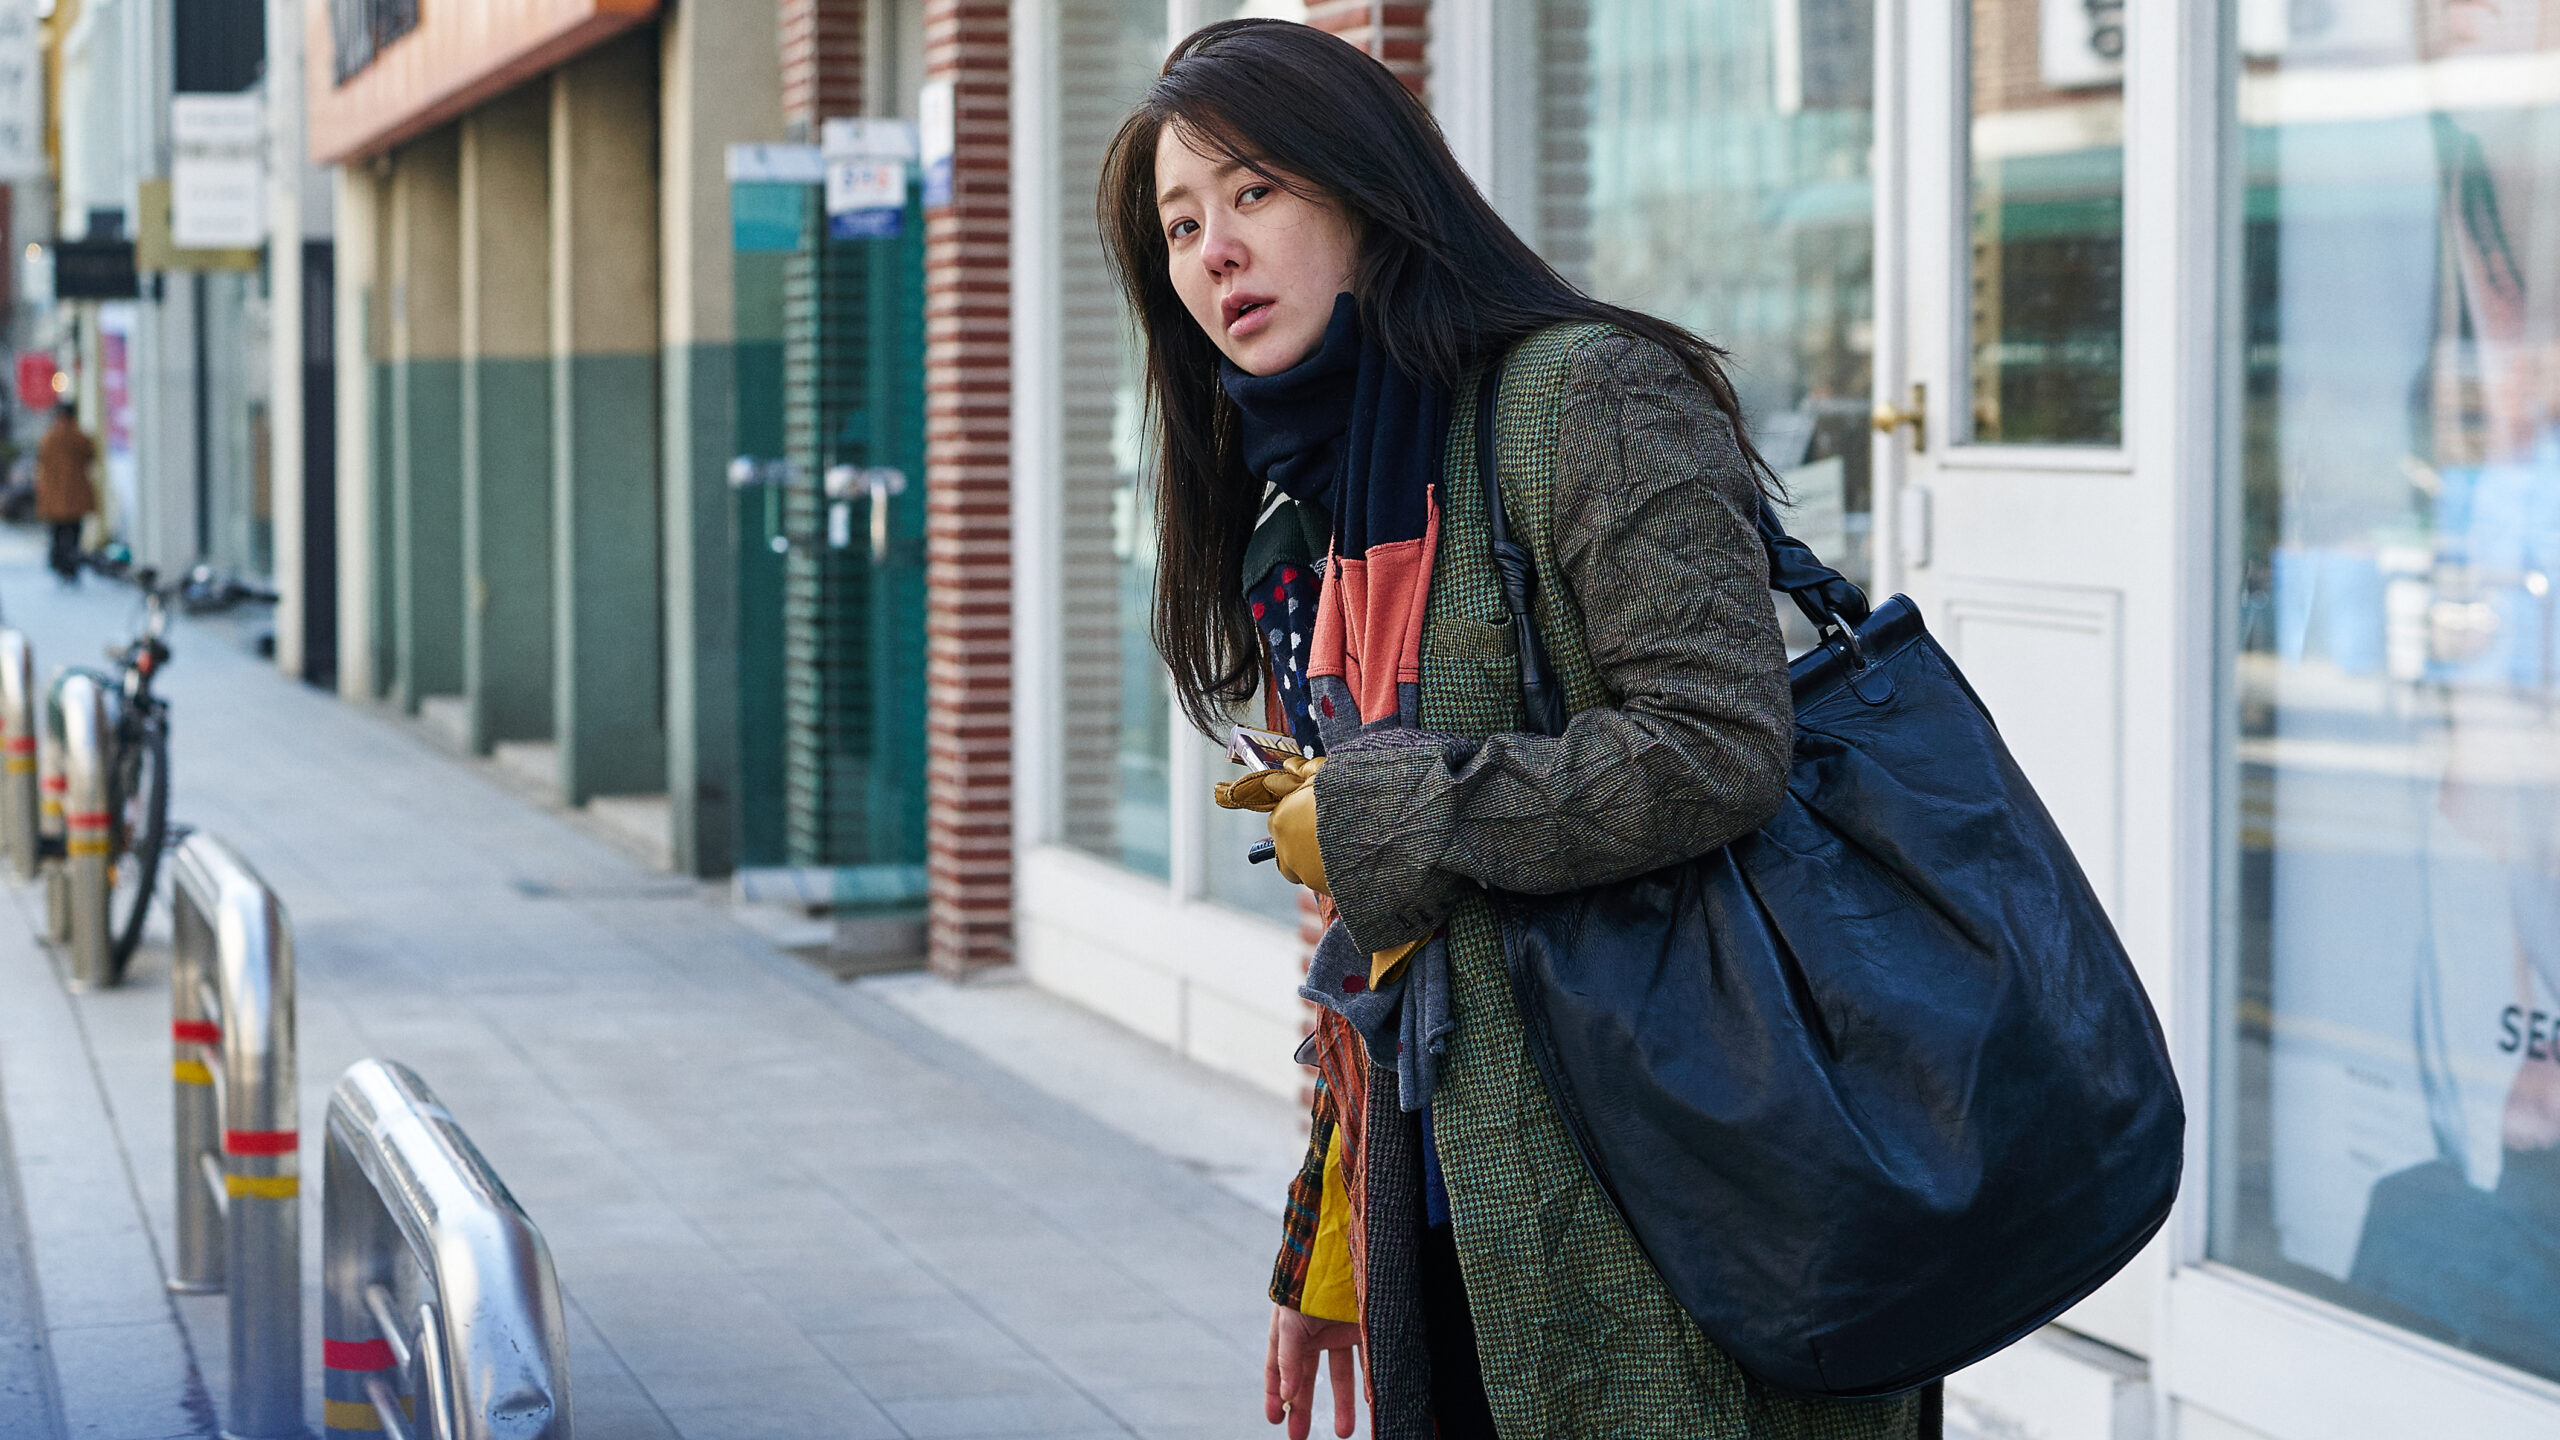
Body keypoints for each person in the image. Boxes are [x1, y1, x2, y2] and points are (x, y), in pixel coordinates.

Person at [1100, 20, 1933, 1440]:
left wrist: (1388, 812)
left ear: (1368, 190)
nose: (1215, 251)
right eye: (1181, 226)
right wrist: (1329, 1242)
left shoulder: (1584, 396)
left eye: (1254, 192)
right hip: (1454, 1202)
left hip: (1680, 1197)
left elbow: (1719, 745)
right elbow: (1379, 938)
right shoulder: (1301, 516)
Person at [34, 401, 96, 584]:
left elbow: (42, 461)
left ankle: (58, 564)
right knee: (74, 532)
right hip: (76, 495)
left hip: (54, 496)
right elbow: (90, 456)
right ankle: (72, 567)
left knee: (57, 532)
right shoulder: (79, 437)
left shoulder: (49, 437)